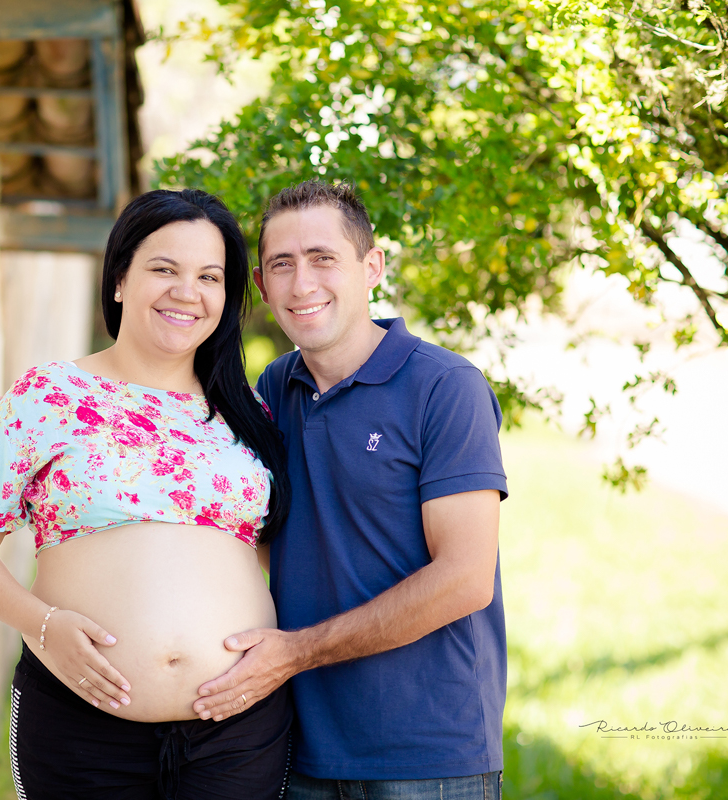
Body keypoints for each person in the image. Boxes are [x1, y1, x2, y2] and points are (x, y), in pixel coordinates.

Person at [0, 189, 294, 800]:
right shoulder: (50, 394)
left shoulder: (250, 413)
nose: (188, 292)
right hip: (82, 724)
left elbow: (273, 556)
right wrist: (42, 625)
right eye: (164, 269)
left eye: (210, 276)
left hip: (237, 730)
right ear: (120, 279)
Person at [191, 181, 508, 800]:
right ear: (260, 285)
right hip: (303, 749)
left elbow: (466, 577)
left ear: (372, 267)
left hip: (429, 755)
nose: (301, 282)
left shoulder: (445, 388)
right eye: (281, 264)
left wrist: (295, 653)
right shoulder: (274, 389)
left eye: (322, 258)